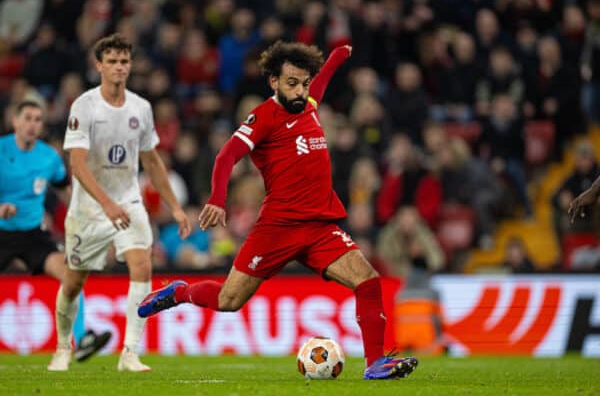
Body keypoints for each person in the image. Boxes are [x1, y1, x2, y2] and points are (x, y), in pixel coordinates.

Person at [138, 41, 418, 380]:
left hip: (319, 226)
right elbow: (226, 156)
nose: (300, 91)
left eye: (303, 83)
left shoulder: (309, 104)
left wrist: (336, 58)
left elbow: (322, 82)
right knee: (228, 300)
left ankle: (375, 363)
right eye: (291, 84)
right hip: (278, 228)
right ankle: (179, 291)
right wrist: (217, 198)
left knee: (369, 281)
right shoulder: (263, 117)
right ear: (273, 82)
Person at [48, 33, 191, 372]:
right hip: (90, 207)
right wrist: (107, 205)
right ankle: (61, 347)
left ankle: (129, 352)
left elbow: (153, 162)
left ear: (130, 66)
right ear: (98, 65)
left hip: (129, 200)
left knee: (141, 264)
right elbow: (78, 165)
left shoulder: (141, 108)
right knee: (73, 282)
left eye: (124, 61)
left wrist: (175, 206)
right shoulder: (84, 105)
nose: (118, 67)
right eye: (111, 61)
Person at [0, 100, 112, 363]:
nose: (32, 124)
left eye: (38, 120)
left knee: (70, 276)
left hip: (32, 235)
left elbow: (64, 188)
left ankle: (82, 338)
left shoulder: (49, 158)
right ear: (14, 121)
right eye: (27, 118)